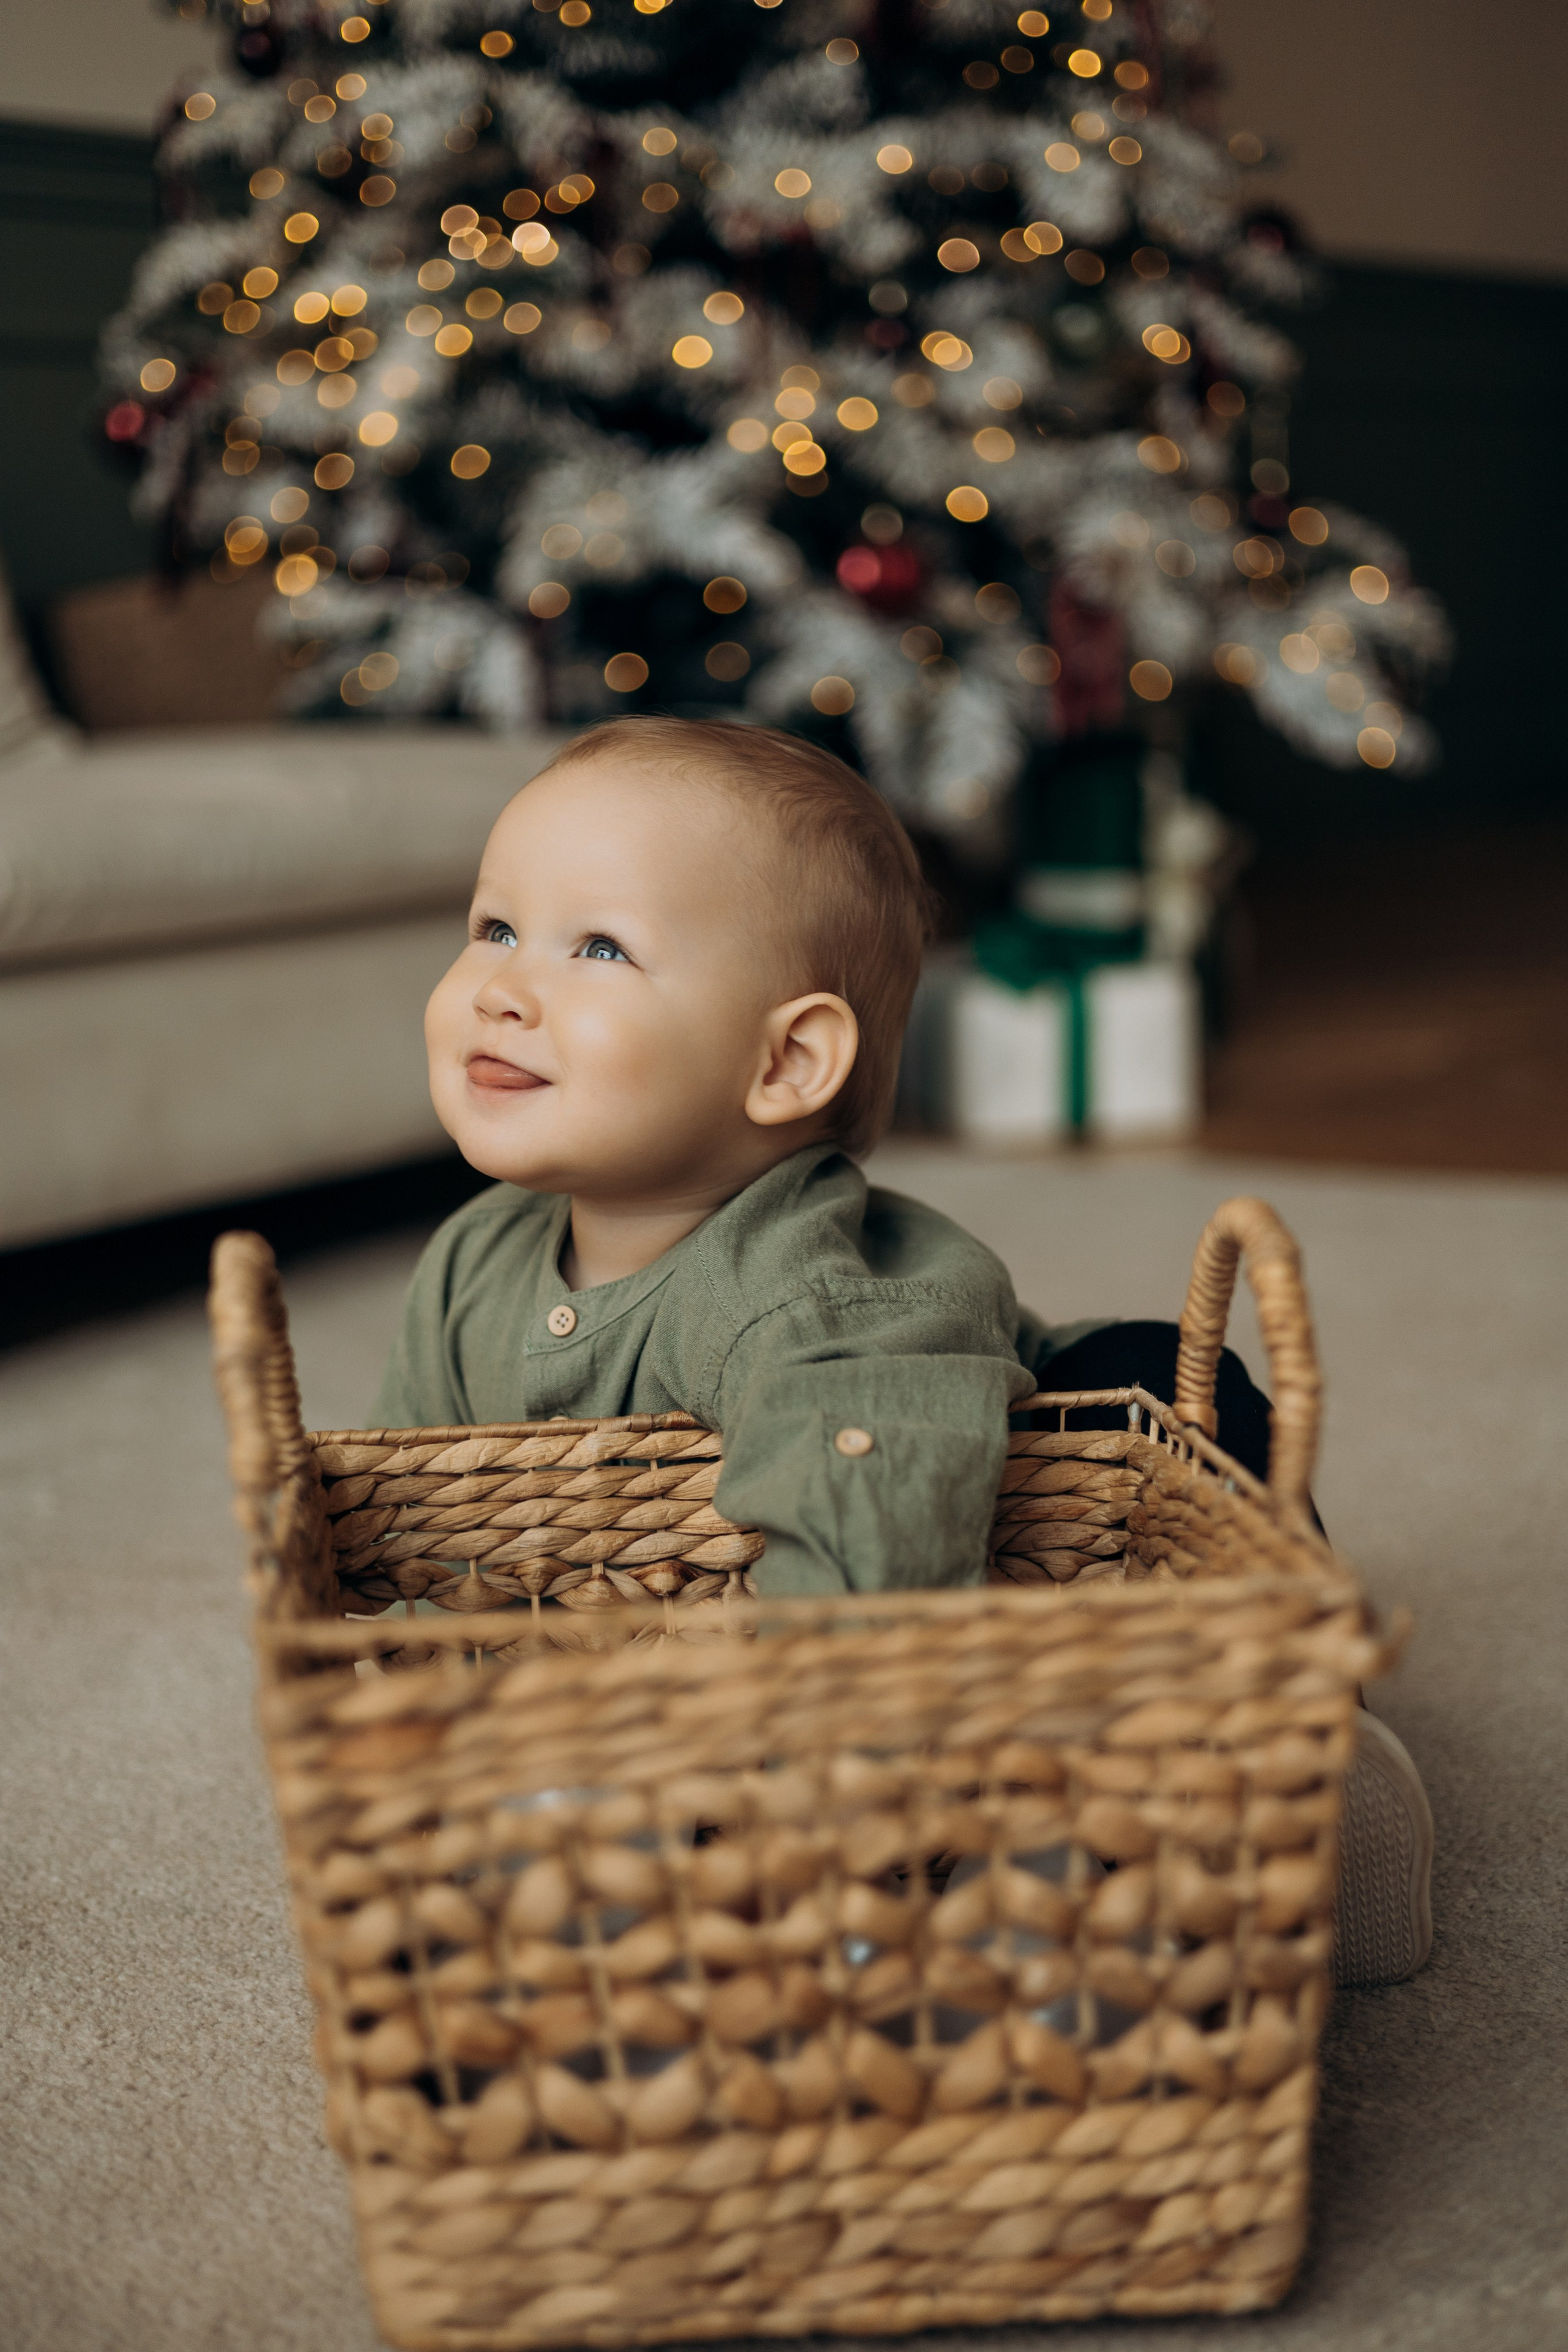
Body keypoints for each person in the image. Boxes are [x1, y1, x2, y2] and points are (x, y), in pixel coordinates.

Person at [374, 714, 1430, 1980]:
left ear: (786, 1060)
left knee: (1175, 1488)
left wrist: (788, 1829)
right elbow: (414, 1523)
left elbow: (863, 1581)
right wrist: (449, 1721)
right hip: (768, 1599)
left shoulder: (808, 1303)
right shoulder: (473, 1261)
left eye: (598, 947)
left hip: (1053, 1471)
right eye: (495, 926)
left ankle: (1300, 1757)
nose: (501, 986)